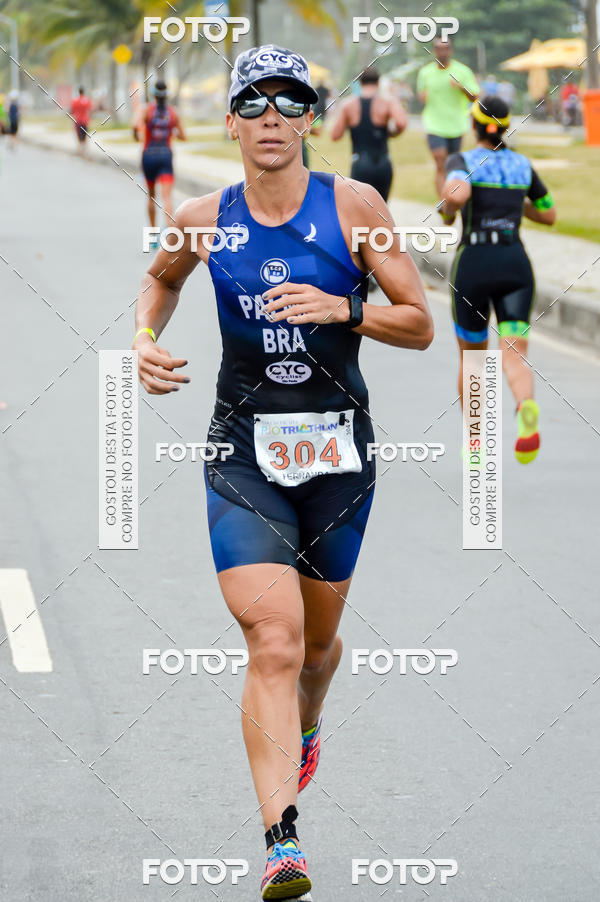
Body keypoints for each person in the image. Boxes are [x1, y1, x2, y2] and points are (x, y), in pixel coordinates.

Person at [133, 44, 433, 900]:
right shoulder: (202, 216)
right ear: (229, 122)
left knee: (318, 647)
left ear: (309, 119)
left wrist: (346, 309)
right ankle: (282, 840)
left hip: (339, 456)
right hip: (242, 453)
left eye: (289, 103)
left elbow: (420, 324)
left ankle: (307, 724)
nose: (272, 118)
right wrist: (143, 342)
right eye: (254, 104)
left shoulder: (357, 207)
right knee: (273, 638)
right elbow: (160, 283)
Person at [441, 96, 556, 464]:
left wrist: (448, 209)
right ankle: (526, 407)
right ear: (505, 126)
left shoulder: (464, 161)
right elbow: (549, 213)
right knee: (514, 353)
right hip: (515, 264)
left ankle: (475, 443)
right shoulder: (522, 165)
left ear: (474, 126)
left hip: (474, 263)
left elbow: (457, 194)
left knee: (472, 360)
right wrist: (515, 202)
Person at [330, 66, 407, 202]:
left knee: (360, 209)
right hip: (383, 162)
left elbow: (335, 135)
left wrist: (350, 123)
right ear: (378, 83)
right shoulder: (387, 102)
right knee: (382, 209)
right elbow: (401, 123)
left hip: (360, 162)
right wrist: (391, 133)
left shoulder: (348, 104)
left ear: (360, 83)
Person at [417, 38, 479, 197]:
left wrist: (461, 87)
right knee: (440, 161)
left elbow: (475, 97)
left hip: (456, 125)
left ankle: (453, 196)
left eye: (445, 49)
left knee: (452, 164)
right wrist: (422, 97)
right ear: (434, 51)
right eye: (438, 49)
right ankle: (443, 203)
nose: (442, 52)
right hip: (434, 124)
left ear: (451, 51)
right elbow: (421, 94)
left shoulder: (462, 71)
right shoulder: (425, 73)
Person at [134, 79, 185, 246]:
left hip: (148, 155)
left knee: (151, 196)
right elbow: (183, 135)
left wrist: (137, 135)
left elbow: (135, 126)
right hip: (165, 155)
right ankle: (170, 233)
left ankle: (153, 236)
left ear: (153, 94)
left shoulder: (146, 110)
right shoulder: (172, 112)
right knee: (167, 197)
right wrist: (175, 133)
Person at [70, 86, 93, 159]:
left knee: (79, 137)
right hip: (85, 121)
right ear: (84, 92)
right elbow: (90, 110)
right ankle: (86, 151)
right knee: (85, 136)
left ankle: (80, 151)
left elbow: (72, 110)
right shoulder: (87, 100)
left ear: (78, 92)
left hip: (78, 121)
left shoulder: (75, 101)